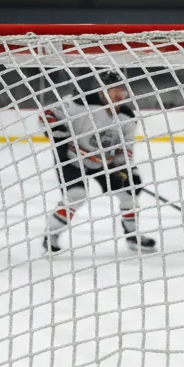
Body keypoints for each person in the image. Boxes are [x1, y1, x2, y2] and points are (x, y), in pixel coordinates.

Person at [40, 70, 157, 254]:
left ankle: (133, 237)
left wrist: (130, 173)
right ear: (102, 91)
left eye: (123, 90)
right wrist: (58, 133)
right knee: (76, 195)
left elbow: (124, 150)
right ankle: (51, 235)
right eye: (114, 90)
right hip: (71, 160)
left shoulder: (127, 117)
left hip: (103, 163)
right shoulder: (79, 104)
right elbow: (46, 115)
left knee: (129, 195)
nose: (120, 95)